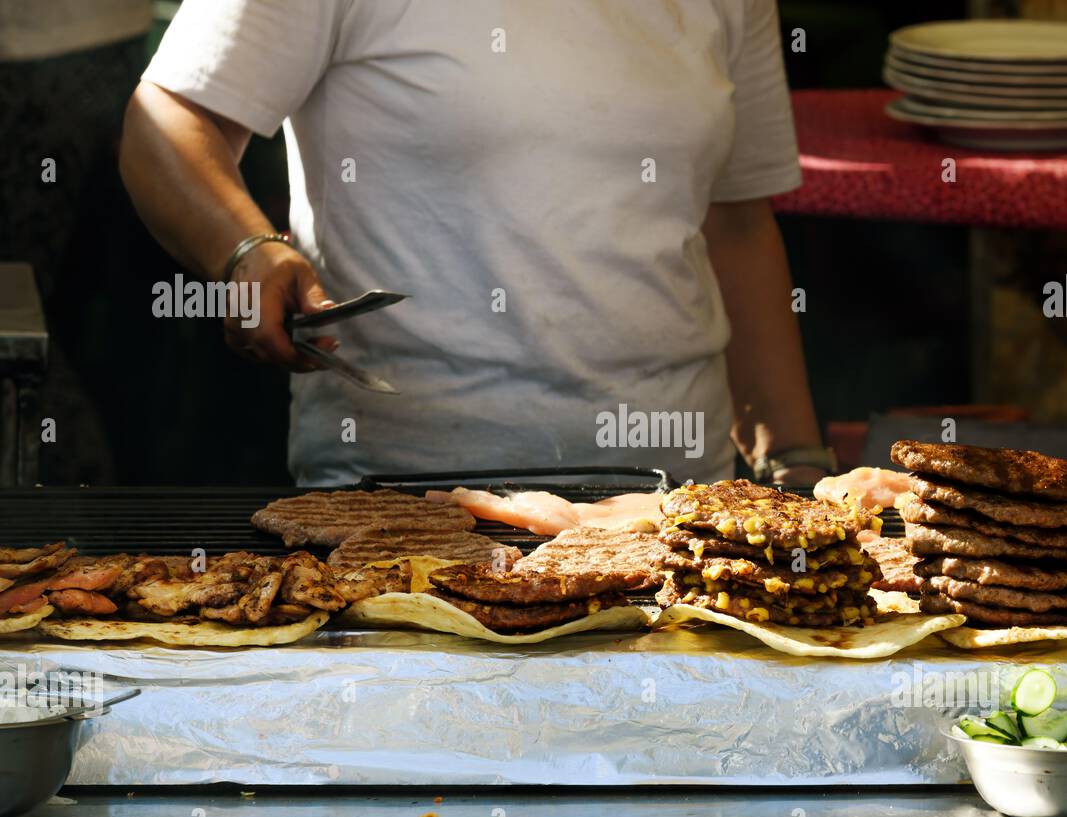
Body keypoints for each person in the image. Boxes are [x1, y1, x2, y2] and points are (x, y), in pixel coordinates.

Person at [120, 0, 834, 486]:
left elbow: (736, 224)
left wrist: (796, 468)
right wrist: (245, 248)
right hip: (404, 501)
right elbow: (168, 122)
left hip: (676, 498)